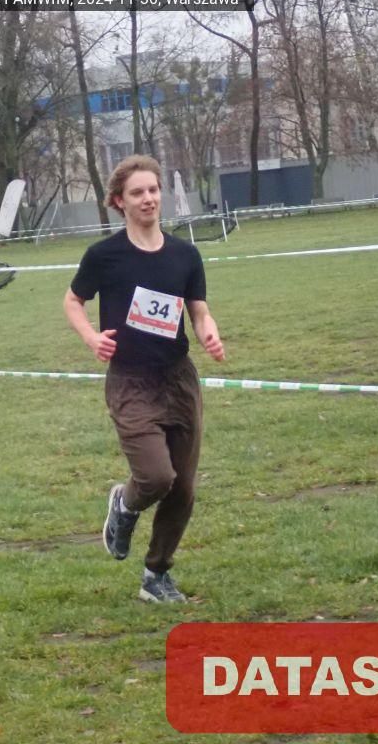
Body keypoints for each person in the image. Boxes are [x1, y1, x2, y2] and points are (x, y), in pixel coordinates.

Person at [63, 154, 225, 604]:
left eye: (153, 190)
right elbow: (73, 301)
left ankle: (156, 575)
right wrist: (92, 338)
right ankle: (125, 503)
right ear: (120, 201)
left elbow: (199, 310)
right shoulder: (104, 256)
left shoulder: (184, 255)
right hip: (130, 381)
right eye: (137, 192)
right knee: (156, 477)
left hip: (178, 379)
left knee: (183, 487)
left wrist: (209, 332)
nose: (148, 198)